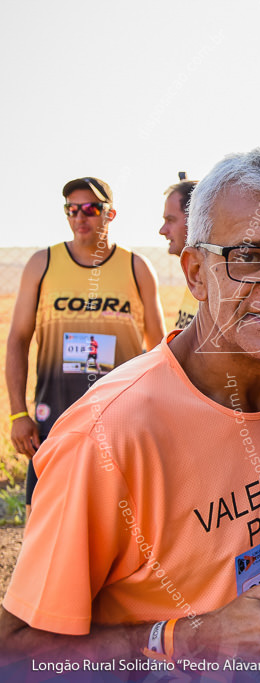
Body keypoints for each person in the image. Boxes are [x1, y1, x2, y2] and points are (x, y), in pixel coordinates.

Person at [0, 148, 260, 667]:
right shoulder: (107, 437)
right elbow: (15, 654)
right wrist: (189, 640)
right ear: (195, 272)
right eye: (248, 256)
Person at [6, 177, 165, 520]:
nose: (80, 217)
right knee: (43, 521)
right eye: (72, 209)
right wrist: (19, 414)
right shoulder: (42, 264)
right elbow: (18, 339)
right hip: (56, 421)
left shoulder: (137, 268)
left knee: (115, 526)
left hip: (121, 422)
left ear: (111, 214)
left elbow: (159, 351)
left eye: (91, 209)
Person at [159, 175, 200, 328]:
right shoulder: (197, 274)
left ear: (194, 221)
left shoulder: (217, 285)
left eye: (170, 220)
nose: (162, 231)